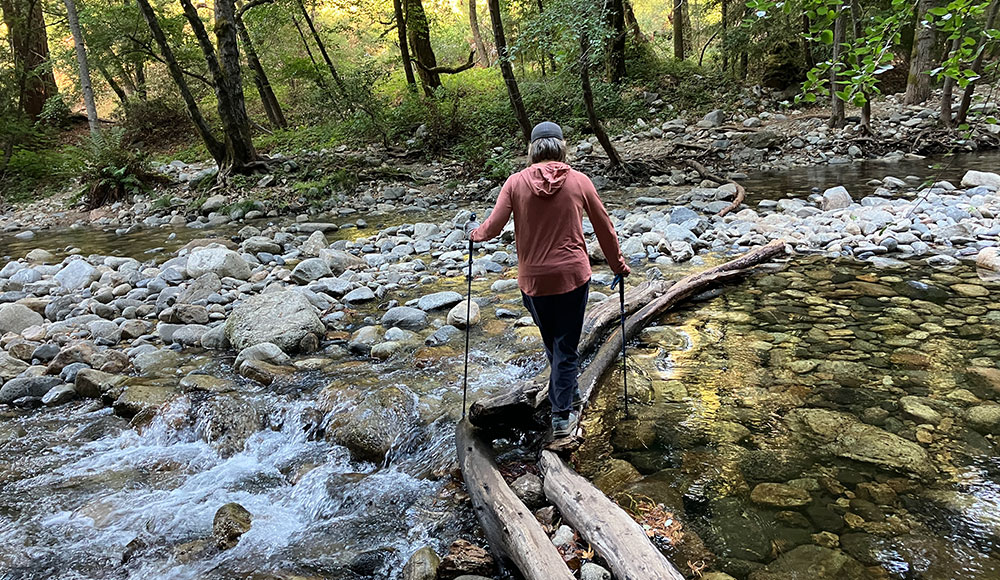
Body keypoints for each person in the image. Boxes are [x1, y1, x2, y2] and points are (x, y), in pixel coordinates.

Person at [469, 121, 630, 438]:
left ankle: (566, 395)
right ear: (561, 148)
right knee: (565, 348)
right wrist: (618, 266)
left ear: (533, 150)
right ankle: (561, 417)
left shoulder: (515, 184)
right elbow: (605, 228)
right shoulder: (579, 182)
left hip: (533, 282)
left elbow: (491, 228)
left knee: (555, 343)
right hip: (571, 276)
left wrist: (472, 234)